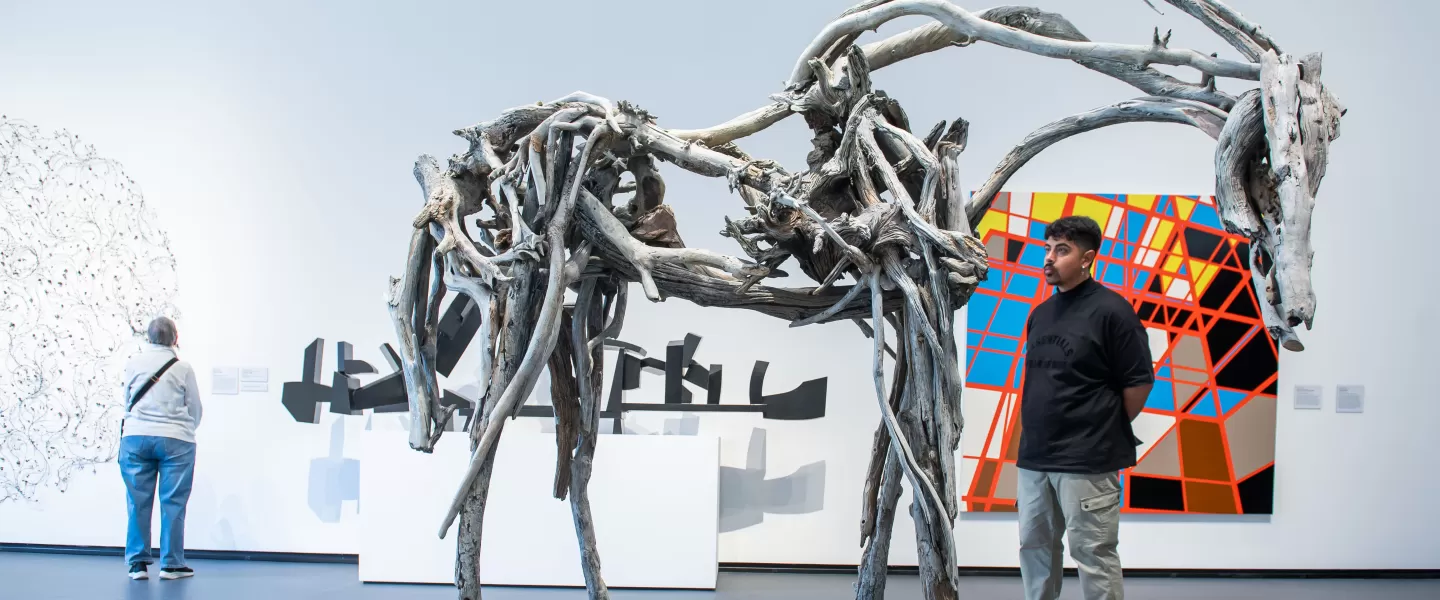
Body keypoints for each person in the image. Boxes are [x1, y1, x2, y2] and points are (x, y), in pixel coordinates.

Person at [1016, 215, 1154, 600]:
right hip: (1035, 458)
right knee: (1034, 549)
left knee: (1093, 554)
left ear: (1087, 258)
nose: (1049, 258)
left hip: (1088, 459)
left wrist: (1100, 426)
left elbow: (1139, 383)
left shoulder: (1113, 312)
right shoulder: (1041, 314)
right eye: (1047, 249)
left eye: (1062, 250)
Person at [118, 316, 202, 581]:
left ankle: (137, 565)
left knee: (137, 502)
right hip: (176, 440)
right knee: (173, 503)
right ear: (175, 338)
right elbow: (195, 407)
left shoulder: (133, 363)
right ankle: (172, 564)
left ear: (148, 337)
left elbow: (126, 400)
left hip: (136, 438)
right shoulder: (183, 367)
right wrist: (185, 429)